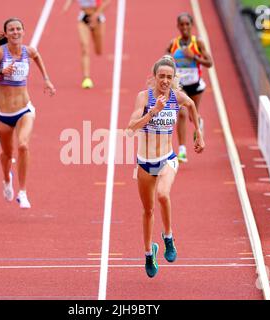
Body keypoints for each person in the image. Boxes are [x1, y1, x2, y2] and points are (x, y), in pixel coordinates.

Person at [127, 56, 205, 278]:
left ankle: (168, 237)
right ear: (154, 78)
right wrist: (152, 112)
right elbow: (130, 128)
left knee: (163, 195)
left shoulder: (176, 97)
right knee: (148, 210)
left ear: (173, 79)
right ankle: (148, 253)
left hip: (167, 158)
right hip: (144, 162)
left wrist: (197, 132)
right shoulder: (143, 97)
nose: (165, 80)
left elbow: (191, 104)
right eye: (161, 76)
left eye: (169, 77)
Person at [0, 18, 56, 209]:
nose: (15, 32)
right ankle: (7, 179)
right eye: (11, 30)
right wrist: (1, 73)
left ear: (23, 31)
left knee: (23, 146)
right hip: (4, 115)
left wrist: (46, 79)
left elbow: (37, 56)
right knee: (7, 153)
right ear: (6, 34)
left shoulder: (28, 51)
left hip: (25, 109)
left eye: (18, 29)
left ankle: (22, 192)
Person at [167, 12, 212, 163]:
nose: (185, 27)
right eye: (182, 24)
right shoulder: (173, 44)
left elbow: (209, 63)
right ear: (178, 26)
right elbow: (165, 60)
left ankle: (198, 123)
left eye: (187, 24)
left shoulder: (198, 42)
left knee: (194, 116)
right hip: (180, 85)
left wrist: (194, 57)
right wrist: (169, 62)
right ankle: (182, 150)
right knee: (182, 113)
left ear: (191, 26)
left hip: (195, 85)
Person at [63, 0, 111, 89]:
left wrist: (96, 15)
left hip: (98, 18)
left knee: (98, 50)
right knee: (84, 47)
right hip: (84, 18)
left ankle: (96, 43)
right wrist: (67, 5)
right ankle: (86, 78)